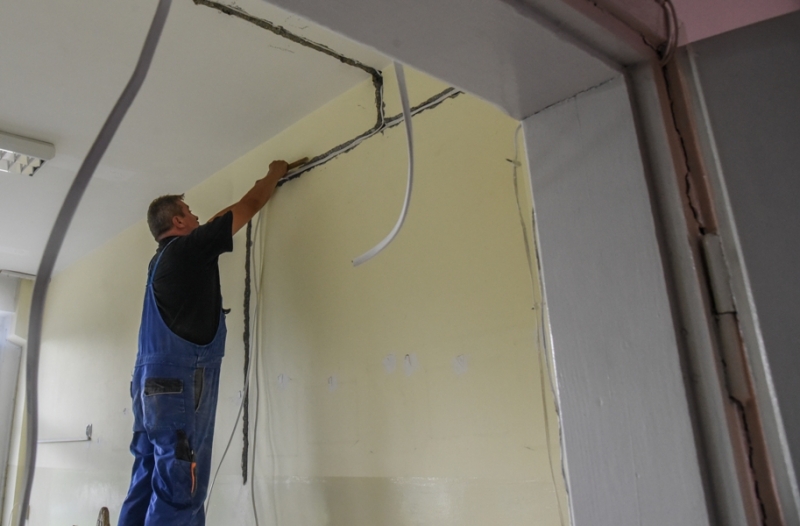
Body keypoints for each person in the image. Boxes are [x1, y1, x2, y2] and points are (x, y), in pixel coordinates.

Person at [118, 160, 290, 525]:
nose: (197, 218)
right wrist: (273, 173)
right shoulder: (187, 251)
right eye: (190, 212)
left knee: (146, 476)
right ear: (178, 222)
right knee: (181, 490)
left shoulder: (161, 262)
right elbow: (247, 207)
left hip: (148, 389)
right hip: (178, 387)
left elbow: (214, 221)